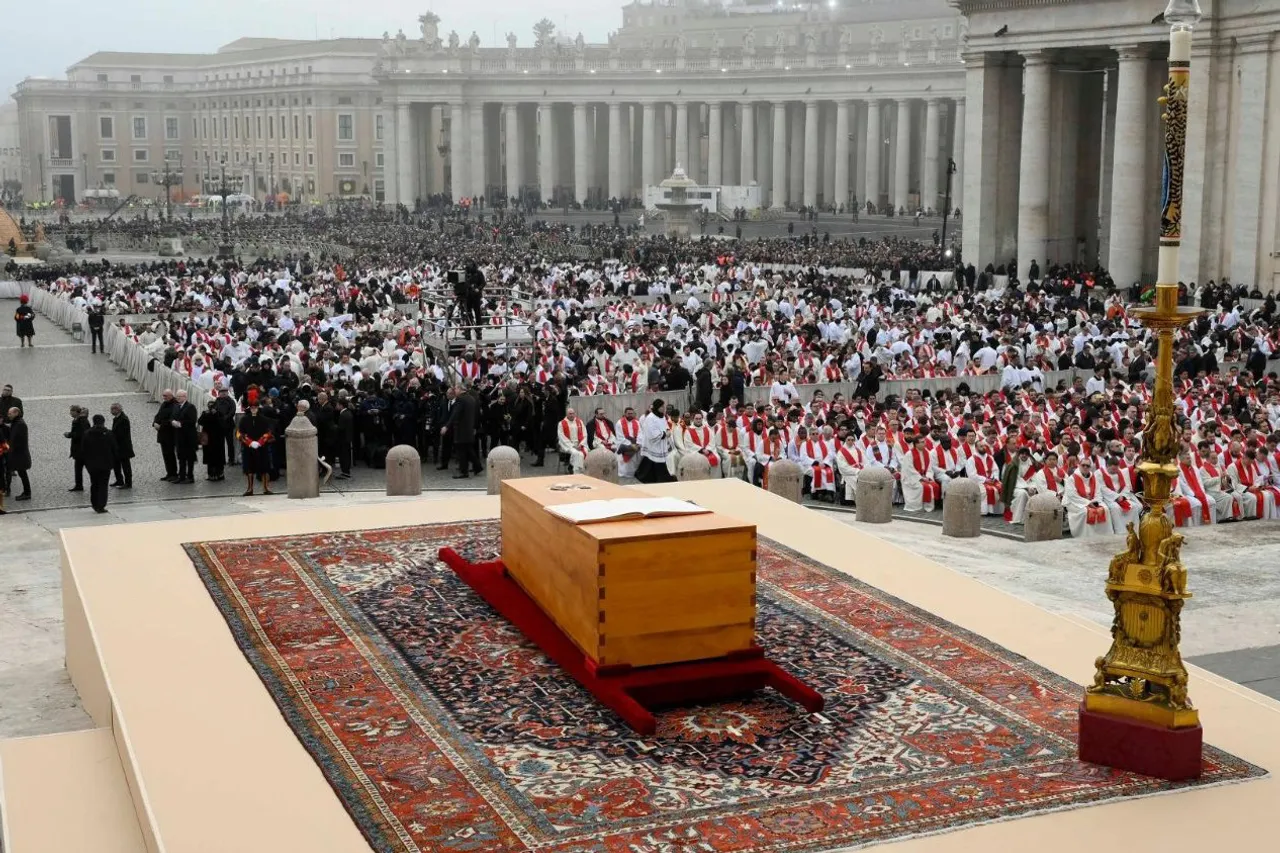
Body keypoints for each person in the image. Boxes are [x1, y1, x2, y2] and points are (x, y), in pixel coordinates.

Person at [237, 389, 275, 496]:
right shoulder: (244, 419)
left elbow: (269, 432)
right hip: (248, 448)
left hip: (262, 447)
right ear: (250, 408)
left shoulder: (264, 419)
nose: (254, 409)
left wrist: (260, 442)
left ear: (258, 408)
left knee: (265, 468)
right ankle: (250, 488)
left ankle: (266, 488)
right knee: (249, 468)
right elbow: (239, 433)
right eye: (252, 408)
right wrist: (249, 442)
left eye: (255, 407)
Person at [79, 414, 118, 514]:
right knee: (103, 485)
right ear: (103, 422)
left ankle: (95, 503)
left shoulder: (87, 434)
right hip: (105, 464)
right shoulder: (108, 433)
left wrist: (86, 463)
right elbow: (114, 449)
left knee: (94, 484)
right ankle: (101, 505)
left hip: (92, 465)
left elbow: (83, 450)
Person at [442, 383, 479, 479]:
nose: (455, 391)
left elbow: (455, 413)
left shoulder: (461, 399)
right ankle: (477, 467)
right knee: (468, 450)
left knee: (461, 451)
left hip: (461, 429)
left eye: (456, 389)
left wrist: (446, 426)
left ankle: (464, 472)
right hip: (469, 429)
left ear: (460, 389)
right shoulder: (471, 398)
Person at [636, 399, 675, 484]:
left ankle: (657, 479)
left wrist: (668, 430)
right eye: (662, 406)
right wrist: (665, 434)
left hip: (661, 443)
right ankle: (661, 479)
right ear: (657, 407)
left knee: (655, 463)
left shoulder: (662, 416)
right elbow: (652, 433)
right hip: (654, 444)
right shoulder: (650, 418)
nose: (664, 408)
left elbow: (666, 425)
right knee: (656, 462)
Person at [172, 390, 199, 484]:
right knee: (181, 457)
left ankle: (190, 476)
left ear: (185, 397)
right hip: (179, 436)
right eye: (177, 396)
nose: (178, 398)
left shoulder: (191, 407)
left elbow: (192, 420)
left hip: (189, 437)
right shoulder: (176, 406)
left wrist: (180, 424)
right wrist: (172, 421)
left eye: (179, 396)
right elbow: (173, 416)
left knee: (190, 458)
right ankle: (182, 476)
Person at [198, 400, 228, 481]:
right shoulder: (205, 413)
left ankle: (220, 473)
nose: (211, 408)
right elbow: (200, 421)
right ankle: (211, 474)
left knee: (219, 456)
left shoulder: (219, 413)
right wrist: (206, 415)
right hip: (208, 439)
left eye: (212, 406)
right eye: (210, 406)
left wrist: (216, 415)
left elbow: (223, 425)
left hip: (218, 439)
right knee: (209, 457)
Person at [6, 407, 30, 501]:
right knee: (22, 474)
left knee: (23, 474)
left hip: (20, 455)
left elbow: (18, 440)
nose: (8, 415)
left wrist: (10, 448)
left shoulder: (20, 424)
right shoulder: (17, 422)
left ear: (16, 413)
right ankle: (26, 492)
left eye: (10, 413)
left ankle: (27, 493)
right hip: (19, 454)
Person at [153, 390, 178, 481]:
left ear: (171, 396)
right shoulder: (164, 404)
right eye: (163, 396)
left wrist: (160, 425)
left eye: (165, 396)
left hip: (170, 434)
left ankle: (174, 473)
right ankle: (169, 473)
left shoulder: (174, 405)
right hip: (162, 434)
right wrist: (154, 422)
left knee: (170, 454)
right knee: (165, 455)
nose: (164, 397)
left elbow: (172, 419)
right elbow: (158, 415)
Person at [110, 403, 135, 489]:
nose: (111, 411)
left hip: (123, 447)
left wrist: (110, 434)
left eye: (113, 409)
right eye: (111, 409)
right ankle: (119, 480)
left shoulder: (123, 419)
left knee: (126, 466)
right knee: (116, 464)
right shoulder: (117, 419)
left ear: (118, 410)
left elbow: (120, 434)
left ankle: (128, 483)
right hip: (117, 447)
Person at [66, 405, 89, 492]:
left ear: (76, 412)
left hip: (81, 450)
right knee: (78, 468)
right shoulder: (78, 420)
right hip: (79, 449)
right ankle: (79, 485)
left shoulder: (81, 421)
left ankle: (80, 485)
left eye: (72, 411)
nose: (70, 413)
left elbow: (81, 434)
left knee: (87, 467)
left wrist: (70, 435)